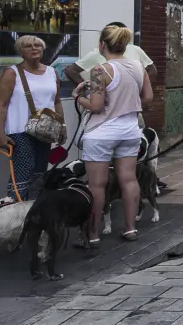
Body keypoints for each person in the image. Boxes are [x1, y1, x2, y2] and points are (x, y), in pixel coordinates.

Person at [73, 24, 152, 245]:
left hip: (101, 134)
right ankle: (130, 228)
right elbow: (147, 98)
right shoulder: (139, 67)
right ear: (125, 45)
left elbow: (96, 106)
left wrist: (78, 96)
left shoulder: (100, 71)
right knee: (129, 179)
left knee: (97, 185)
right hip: (130, 131)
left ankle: (92, 234)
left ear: (102, 45)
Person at [0, 35, 65, 200]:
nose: (34, 48)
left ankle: (33, 209)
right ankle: (15, 211)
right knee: (22, 173)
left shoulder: (52, 72)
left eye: (37, 45)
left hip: (45, 130)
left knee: (40, 173)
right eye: (28, 46)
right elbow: (1, 105)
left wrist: (62, 126)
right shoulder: (12, 73)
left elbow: (57, 102)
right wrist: (0, 134)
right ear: (21, 51)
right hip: (20, 131)